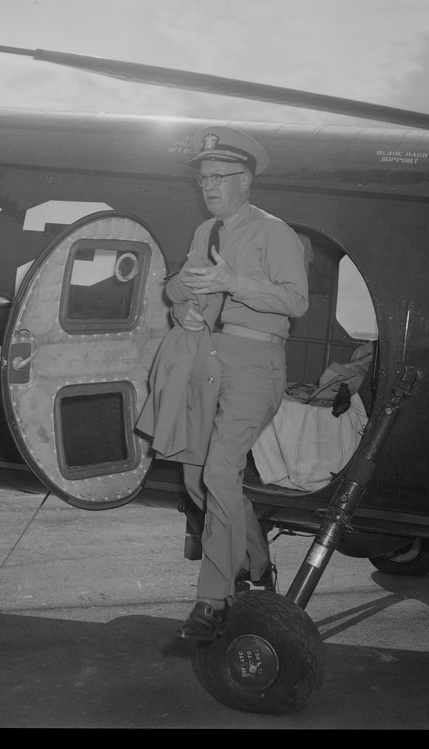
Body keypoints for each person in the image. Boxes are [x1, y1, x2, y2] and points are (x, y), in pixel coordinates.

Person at [162, 126, 309, 640]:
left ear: (245, 181)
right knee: (195, 477)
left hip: (256, 363)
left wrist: (232, 283)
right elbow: (178, 289)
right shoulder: (206, 234)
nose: (208, 187)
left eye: (219, 177)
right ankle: (257, 564)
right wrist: (186, 310)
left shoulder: (275, 233)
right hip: (208, 359)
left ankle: (213, 600)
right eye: (203, 178)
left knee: (221, 472)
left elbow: (296, 301)